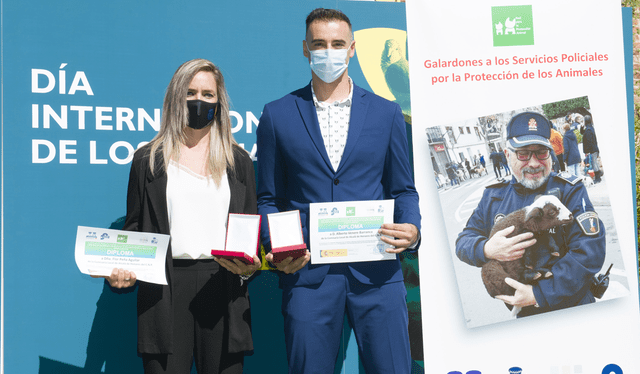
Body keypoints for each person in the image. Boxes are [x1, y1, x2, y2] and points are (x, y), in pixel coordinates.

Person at [256, 8, 421, 374]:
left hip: (377, 273)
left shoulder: (386, 112)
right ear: (305, 49)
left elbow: (404, 189)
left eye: (336, 44)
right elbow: (268, 199)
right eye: (319, 44)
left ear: (352, 49)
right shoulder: (278, 114)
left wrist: (412, 229)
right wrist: (280, 248)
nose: (328, 52)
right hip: (308, 275)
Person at [94, 59, 261, 374]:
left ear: (219, 102)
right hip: (164, 293)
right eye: (191, 92)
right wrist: (121, 271)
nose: (199, 101)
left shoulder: (238, 161)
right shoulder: (148, 160)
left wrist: (248, 268)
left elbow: (248, 234)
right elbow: (134, 230)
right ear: (175, 98)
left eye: (208, 94)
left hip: (223, 289)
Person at [455, 112, 605, 317]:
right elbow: (464, 241)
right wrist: (486, 248)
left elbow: (590, 251)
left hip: (574, 306)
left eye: (541, 153)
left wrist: (538, 293)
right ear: (508, 156)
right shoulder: (493, 196)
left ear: (551, 155)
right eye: (523, 154)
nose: (534, 163)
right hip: (526, 316)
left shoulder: (569, 190)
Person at [582, 115, 602, 183]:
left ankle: (598, 177)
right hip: (594, 148)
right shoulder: (590, 128)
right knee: (594, 163)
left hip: (592, 149)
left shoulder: (588, 130)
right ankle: (598, 175)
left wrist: (587, 151)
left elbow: (589, 141)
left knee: (594, 164)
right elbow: (582, 133)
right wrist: (581, 128)